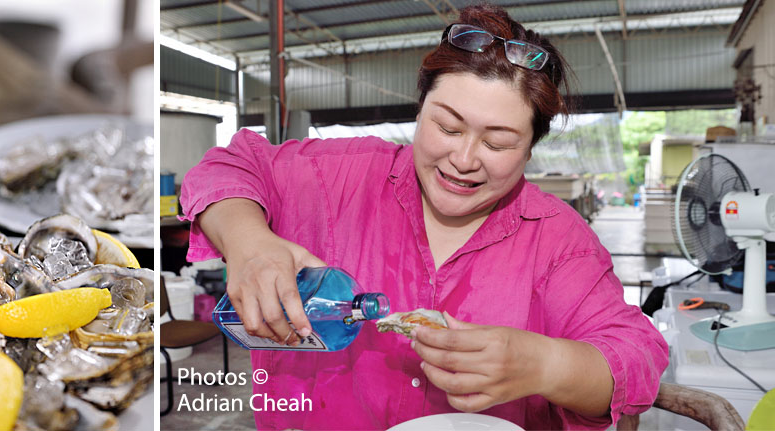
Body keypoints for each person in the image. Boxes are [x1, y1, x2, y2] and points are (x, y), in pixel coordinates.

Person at [179, 4, 668, 430]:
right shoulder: (339, 178)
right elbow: (230, 165)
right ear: (420, 109)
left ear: (531, 148)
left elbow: (636, 355)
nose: (464, 158)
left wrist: (544, 364)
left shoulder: (558, 240)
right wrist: (248, 242)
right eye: (447, 126)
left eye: (498, 143)